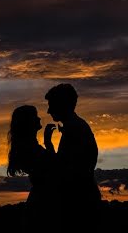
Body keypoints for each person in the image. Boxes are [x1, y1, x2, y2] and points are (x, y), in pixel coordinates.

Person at [45, 83, 101, 218]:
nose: (48, 111)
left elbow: (62, 168)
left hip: (79, 201)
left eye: (51, 105)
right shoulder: (77, 127)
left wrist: (48, 144)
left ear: (62, 105)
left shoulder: (75, 129)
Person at [7, 104, 59, 216]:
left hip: (40, 201)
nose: (39, 118)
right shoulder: (29, 149)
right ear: (28, 122)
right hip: (42, 205)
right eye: (35, 116)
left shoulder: (29, 147)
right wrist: (48, 142)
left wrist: (47, 141)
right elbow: (55, 167)